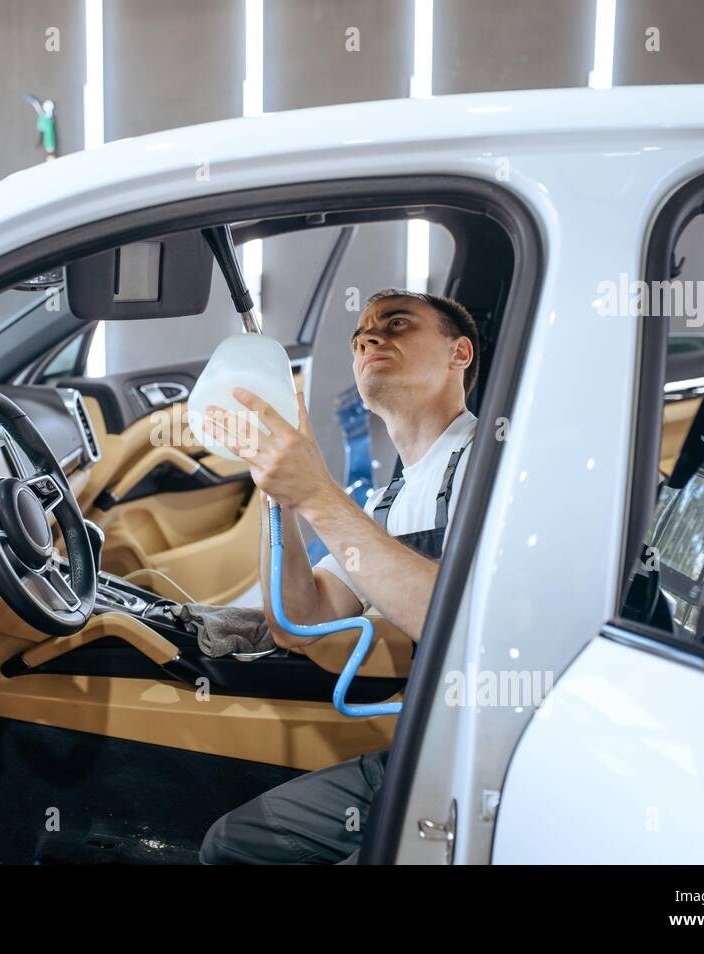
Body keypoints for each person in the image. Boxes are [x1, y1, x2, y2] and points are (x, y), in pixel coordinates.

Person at [197, 288, 480, 864]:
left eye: (397, 325)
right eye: (360, 338)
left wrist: (318, 494)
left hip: (475, 768)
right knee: (232, 845)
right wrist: (275, 489)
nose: (370, 338)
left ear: (460, 353)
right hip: (413, 755)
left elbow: (463, 625)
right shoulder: (386, 502)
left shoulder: (492, 465)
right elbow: (301, 621)